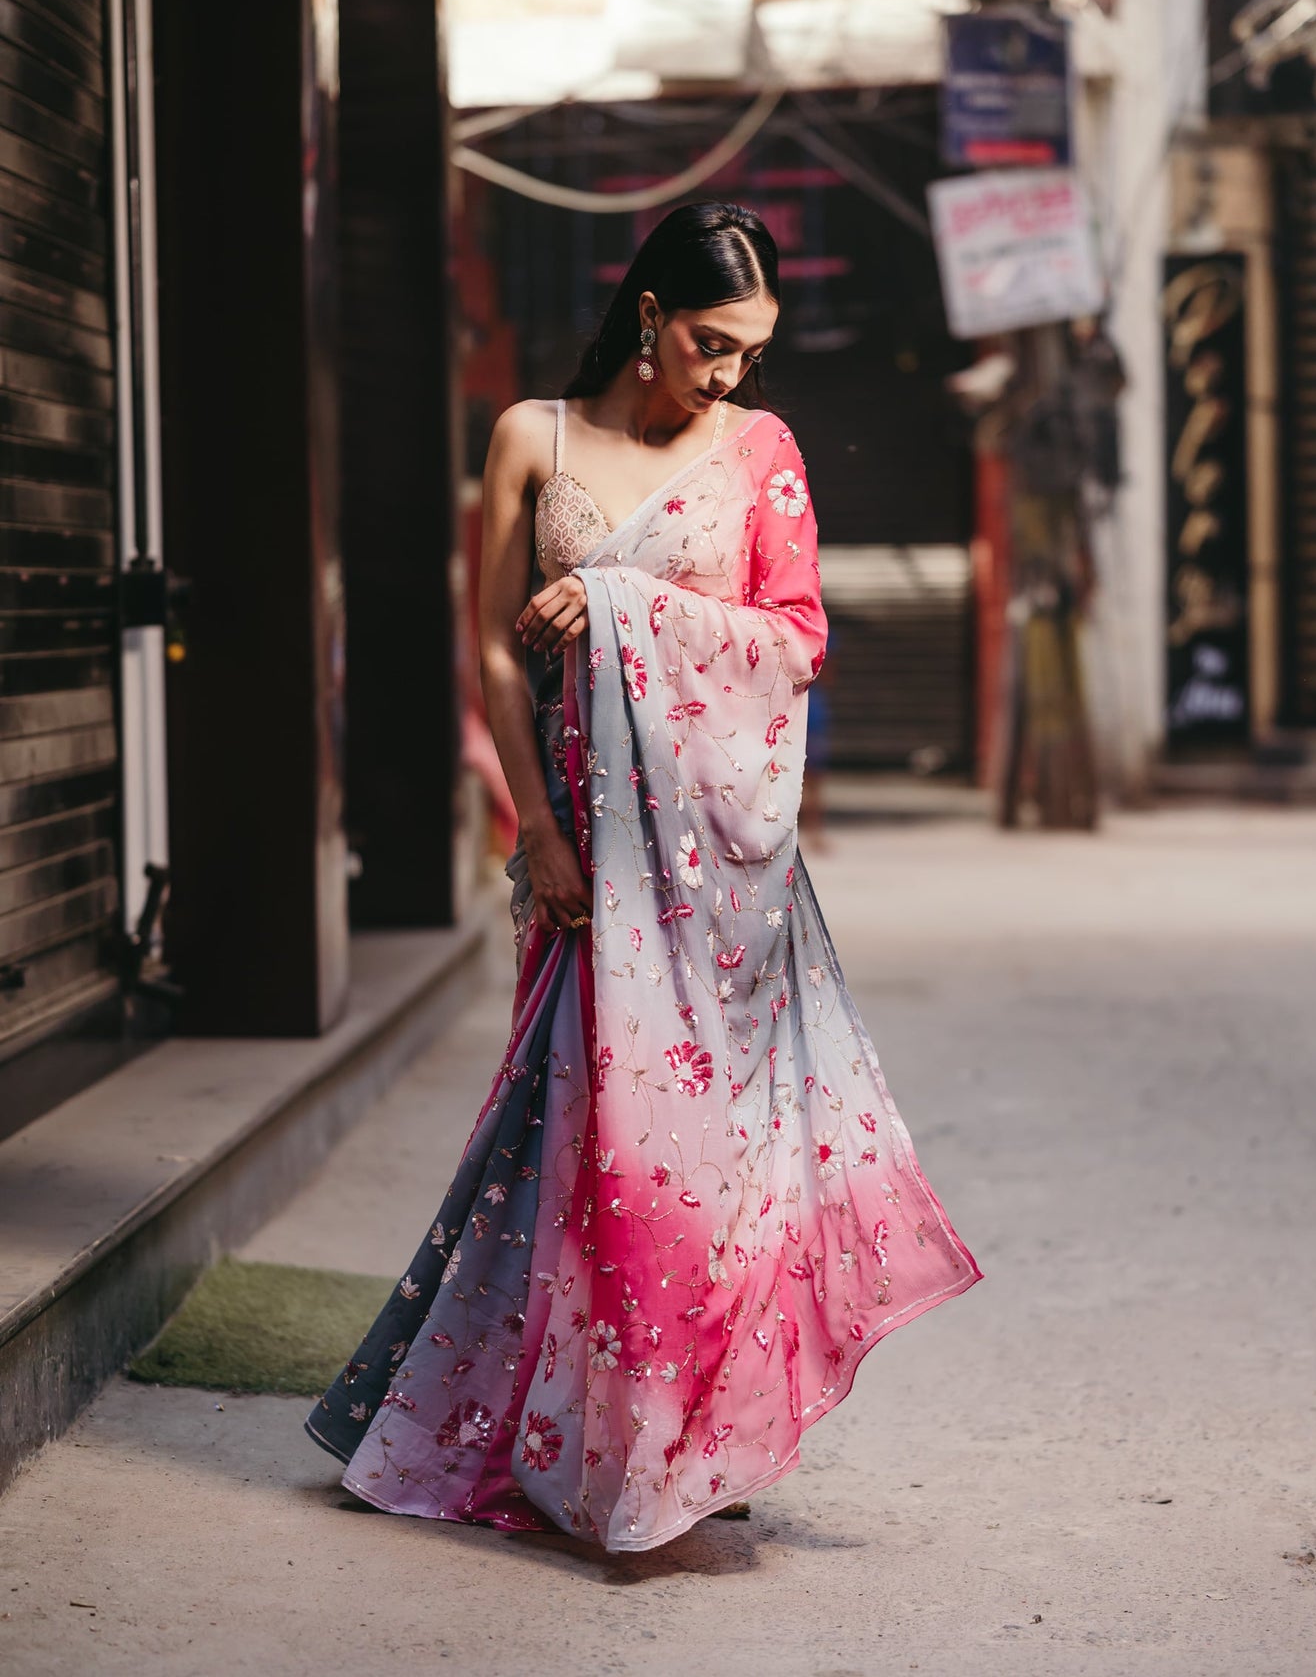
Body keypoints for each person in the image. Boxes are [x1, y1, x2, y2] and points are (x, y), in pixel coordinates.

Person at [305, 202, 982, 1552]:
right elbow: (493, 652)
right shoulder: (529, 440)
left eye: (749, 351)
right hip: (581, 858)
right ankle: (585, 1440)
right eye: (709, 343)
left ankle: (679, 1447)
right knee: (586, 1158)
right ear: (648, 314)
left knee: (701, 1174)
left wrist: (626, 603)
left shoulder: (759, 452)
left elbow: (794, 641)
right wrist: (535, 827)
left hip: (719, 875)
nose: (727, 374)